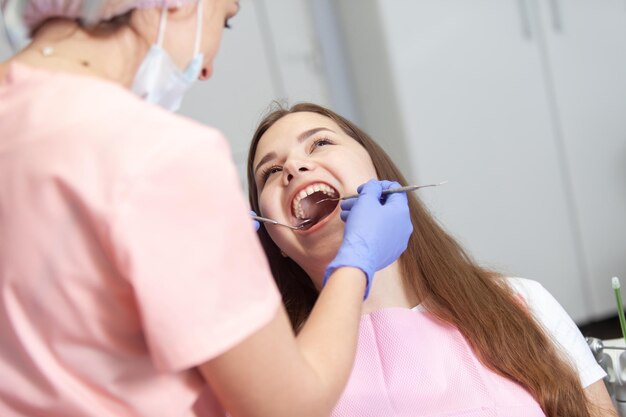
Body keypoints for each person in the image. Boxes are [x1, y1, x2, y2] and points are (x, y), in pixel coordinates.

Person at [0, 2, 414, 416]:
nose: (205, 69)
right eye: (226, 19)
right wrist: (356, 260)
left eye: (321, 143)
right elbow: (285, 407)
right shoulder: (160, 155)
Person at [247, 102, 618, 417]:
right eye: (271, 172)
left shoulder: (519, 302)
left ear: (382, 174)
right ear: (274, 239)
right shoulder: (266, 369)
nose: (293, 168)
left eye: (320, 143)